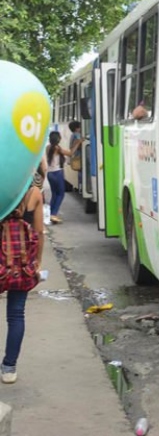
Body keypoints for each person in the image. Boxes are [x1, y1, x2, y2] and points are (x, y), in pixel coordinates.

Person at [1, 182, 45, 384]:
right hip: (22, 265)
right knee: (16, 314)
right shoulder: (33, 193)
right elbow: (39, 232)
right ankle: (9, 368)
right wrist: (38, 261)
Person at [45, 131, 74, 224]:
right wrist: (77, 143)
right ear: (58, 139)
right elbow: (70, 153)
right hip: (57, 173)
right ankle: (53, 214)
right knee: (61, 194)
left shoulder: (48, 147)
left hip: (50, 173)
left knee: (54, 194)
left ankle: (50, 214)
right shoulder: (57, 148)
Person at [68, 121, 84, 192]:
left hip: (76, 156)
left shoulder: (72, 135)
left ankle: (80, 186)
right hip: (79, 156)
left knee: (80, 171)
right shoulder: (77, 135)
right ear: (76, 128)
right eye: (80, 127)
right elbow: (80, 143)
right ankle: (81, 186)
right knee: (81, 171)